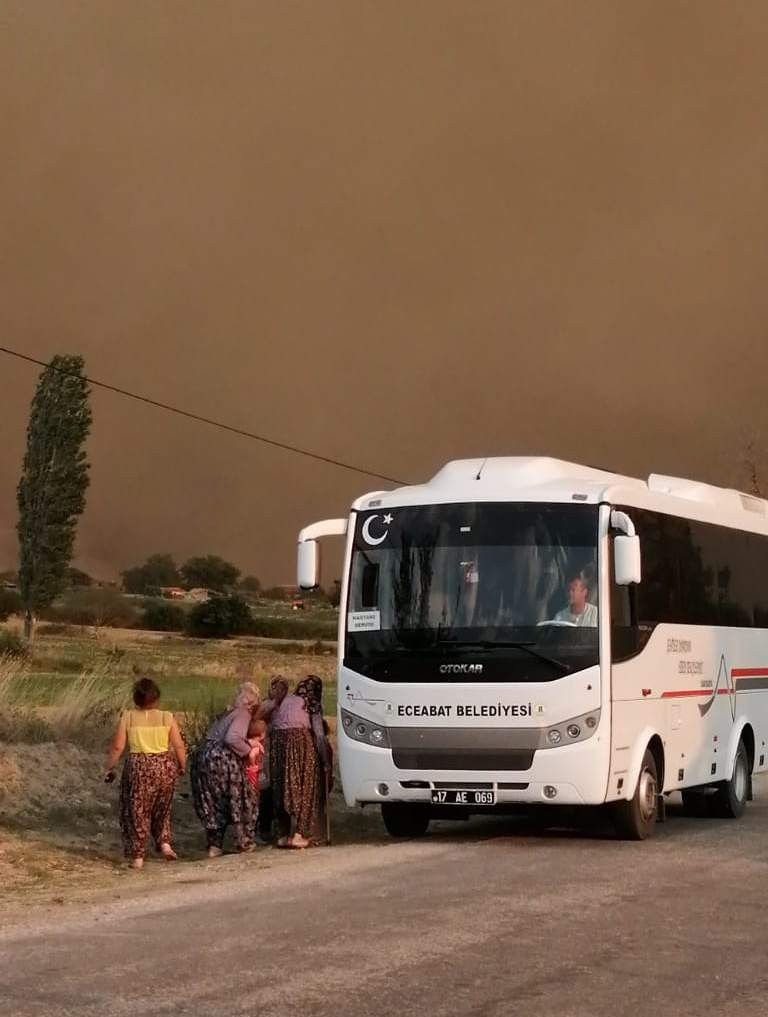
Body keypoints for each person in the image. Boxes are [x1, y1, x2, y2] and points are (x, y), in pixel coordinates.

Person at [105, 677, 186, 870]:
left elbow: (118, 746)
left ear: (136, 699)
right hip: (164, 766)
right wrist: (182, 765)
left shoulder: (129, 717)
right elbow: (179, 745)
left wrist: (109, 767)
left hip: (139, 767)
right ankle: (165, 843)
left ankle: (138, 855)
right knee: (162, 808)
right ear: (157, 698)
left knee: (137, 811)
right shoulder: (167, 717)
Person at [190, 681, 261, 857]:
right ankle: (244, 842)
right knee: (240, 798)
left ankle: (215, 846)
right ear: (252, 703)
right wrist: (248, 750)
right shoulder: (242, 714)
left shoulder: (226, 714)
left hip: (204, 758)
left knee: (212, 802)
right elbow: (232, 738)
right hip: (221, 759)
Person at [266, 675, 329, 849]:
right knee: (306, 786)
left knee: (281, 786)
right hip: (301, 743)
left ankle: (282, 835)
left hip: (278, 744)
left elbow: (271, 725)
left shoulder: (285, 699)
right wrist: (325, 760)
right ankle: (300, 834)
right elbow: (319, 735)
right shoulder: (312, 703)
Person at [254, 676, 288, 844]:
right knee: (265, 791)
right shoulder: (267, 705)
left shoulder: (288, 706)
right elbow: (258, 718)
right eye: (276, 688)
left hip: (281, 753)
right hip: (265, 753)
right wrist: (274, 703)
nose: (279, 692)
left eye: (283, 688)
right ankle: (263, 829)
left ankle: (278, 829)